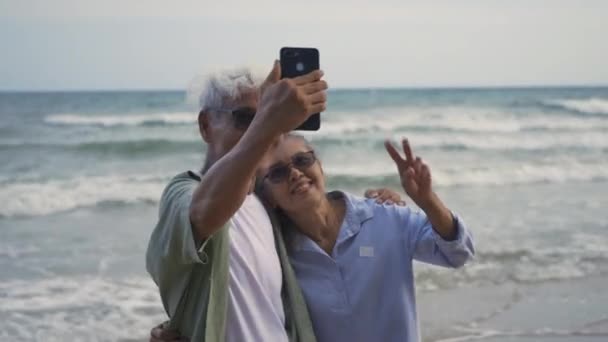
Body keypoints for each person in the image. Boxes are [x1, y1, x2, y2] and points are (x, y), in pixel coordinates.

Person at [145, 64, 403, 342]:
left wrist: (379, 204)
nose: (264, 131)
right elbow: (203, 214)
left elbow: (325, 225)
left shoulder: (267, 200)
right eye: (246, 118)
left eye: (270, 118)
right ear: (206, 125)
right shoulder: (185, 192)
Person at [252, 133, 475, 341]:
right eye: (278, 173)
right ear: (268, 196)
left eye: (302, 160)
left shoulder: (384, 215)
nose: (295, 173)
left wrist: (427, 200)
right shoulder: (276, 256)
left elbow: (458, 253)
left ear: (320, 167)